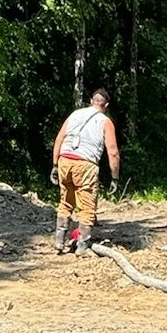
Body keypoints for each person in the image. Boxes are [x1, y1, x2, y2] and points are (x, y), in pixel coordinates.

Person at [50, 88, 120, 254]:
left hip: (65, 160)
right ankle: (82, 245)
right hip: (86, 164)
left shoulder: (74, 114)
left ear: (91, 101)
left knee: (65, 201)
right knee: (87, 206)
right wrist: (115, 178)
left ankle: (59, 241)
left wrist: (54, 165)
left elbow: (59, 138)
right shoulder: (105, 122)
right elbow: (113, 151)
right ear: (107, 105)